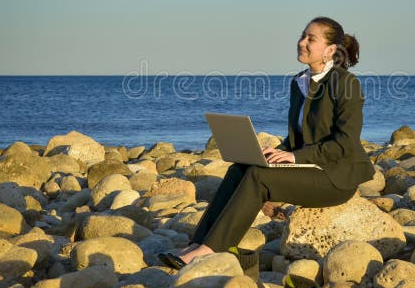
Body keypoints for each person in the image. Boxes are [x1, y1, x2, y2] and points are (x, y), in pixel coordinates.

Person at [160, 16, 374, 268]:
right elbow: (300, 137)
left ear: (329, 50)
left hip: (336, 178)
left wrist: (295, 157)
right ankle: (197, 243)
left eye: (310, 39)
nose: (302, 42)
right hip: (310, 168)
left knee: (259, 178)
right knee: (240, 168)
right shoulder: (300, 82)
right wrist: (278, 151)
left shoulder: (346, 83)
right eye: (302, 35)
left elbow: (345, 143)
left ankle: (210, 250)